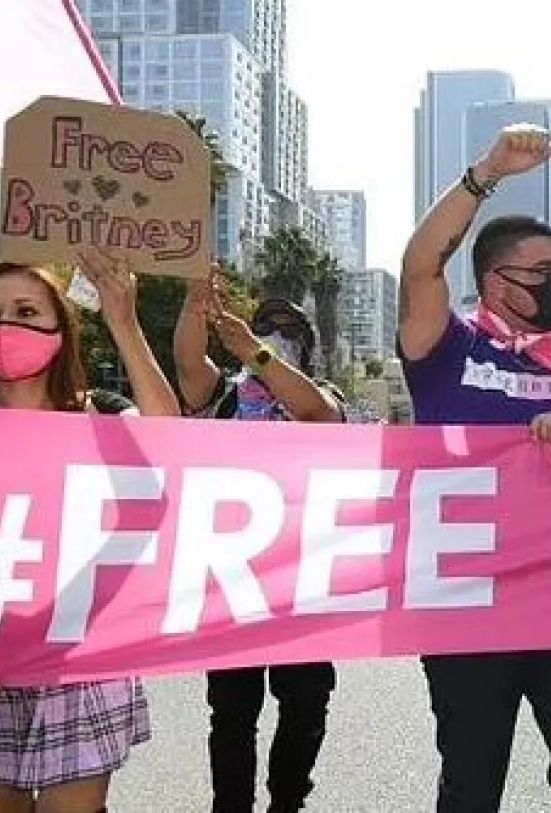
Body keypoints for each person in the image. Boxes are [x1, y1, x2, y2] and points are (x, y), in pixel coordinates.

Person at [398, 123, 551, 812]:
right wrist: (485, 174)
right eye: (543, 273)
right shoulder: (446, 346)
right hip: (470, 613)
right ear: (495, 282)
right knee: (471, 786)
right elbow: (419, 267)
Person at [0, 252, 178, 812]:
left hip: (77, 653)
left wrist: (125, 324)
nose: (3, 327)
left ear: (60, 329)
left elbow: (170, 443)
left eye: (24, 311)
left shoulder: (101, 417)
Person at [173, 273, 343, 813]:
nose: (275, 334)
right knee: (231, 713)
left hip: (304, 586)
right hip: (231, 586)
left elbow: (318, 415)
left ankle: (287, 800)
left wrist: (256, 349)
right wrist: (194, 304)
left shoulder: (322, 398)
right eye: (266, 325)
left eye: (289, 330)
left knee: (306, 707)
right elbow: (186, 364)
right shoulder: (221, 396)